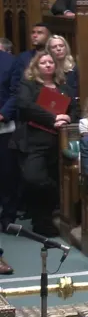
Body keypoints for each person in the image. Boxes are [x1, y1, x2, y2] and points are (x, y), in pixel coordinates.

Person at [9, 52, 74, 236]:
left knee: (54, 178)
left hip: (57, 143)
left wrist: (68, 118)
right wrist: (53, 118)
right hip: (33, 141)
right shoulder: (28, 85)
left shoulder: (64, 87)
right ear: (36, 67)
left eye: (50, 62)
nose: (47, 65)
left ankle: (42, 222)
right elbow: (25, 106)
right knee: (34, 179)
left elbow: (74, 110)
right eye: (43, 62)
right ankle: (50, 205)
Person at [0, 41, 17, 231]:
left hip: (3, 127)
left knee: (6, 174)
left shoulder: (9, 61)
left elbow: (15, 92)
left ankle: (8, 216)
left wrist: (3, 113)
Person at [11, 23, 50, 90]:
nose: (34, 35)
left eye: (39, 33)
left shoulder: (54, 55)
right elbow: (16, 82)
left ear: (49, 36)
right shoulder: (23, 57)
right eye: (33, 33)